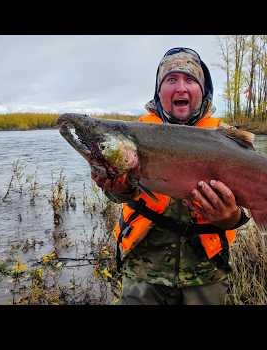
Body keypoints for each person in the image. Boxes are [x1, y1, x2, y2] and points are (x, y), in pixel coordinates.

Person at [91, 47, 249, 305]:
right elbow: (117, 194)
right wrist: (116, 187)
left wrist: (231, 218)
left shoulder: (228, 139)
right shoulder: (130, 136)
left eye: (190, 80)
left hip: (205, 274)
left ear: (203, 90)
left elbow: (248, 209)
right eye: (171, 80)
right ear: (159, 90)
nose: (181, 88)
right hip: (144, 272)